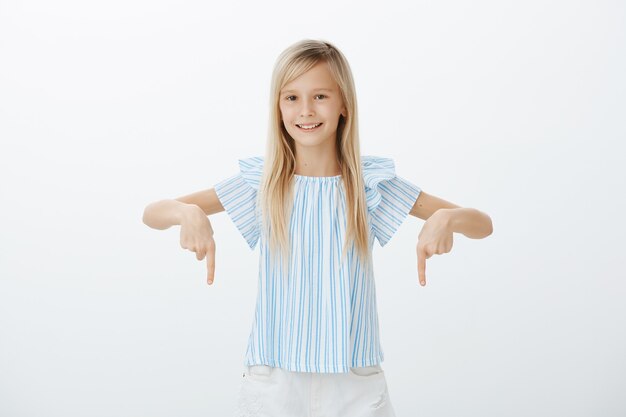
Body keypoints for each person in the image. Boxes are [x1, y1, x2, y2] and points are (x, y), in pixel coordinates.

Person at [143, 38, 493, 417]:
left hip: (354, 381)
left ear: (344, 104)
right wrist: (186, 213)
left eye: (320, 96)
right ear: (277, 108)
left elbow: (483, 224)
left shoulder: (369, 184)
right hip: (274, 381)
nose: (305, 110)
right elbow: (152, 212)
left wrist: (447, 218)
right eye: (291, 97)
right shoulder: (264, 181)